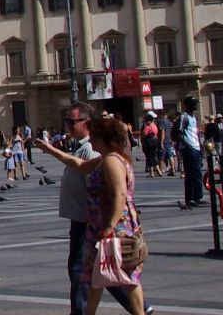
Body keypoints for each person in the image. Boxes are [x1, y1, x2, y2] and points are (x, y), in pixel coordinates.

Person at [36, 105, 141, 315]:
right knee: (96, 277)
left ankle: (140, 312)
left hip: (113, 230)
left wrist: (109, 227)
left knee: (124, 278)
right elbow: (76, 163)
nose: (90, 139)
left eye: (94, 136)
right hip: (100, 229)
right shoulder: (104, 159)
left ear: (103, 138)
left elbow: (121, 194)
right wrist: (50, 150)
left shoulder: (111, 161)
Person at [175, 98, 203, 208]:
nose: (195, 105)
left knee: (197, 173)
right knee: (190, 174)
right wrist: (189, 146)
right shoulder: (184, 117)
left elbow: (194, 133)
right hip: (188, 149)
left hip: (195, 147)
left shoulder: (193, 118)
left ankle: (198, 196)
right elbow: (179, 134)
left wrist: (199, 146)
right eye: (193, 103)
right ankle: (190, 198)